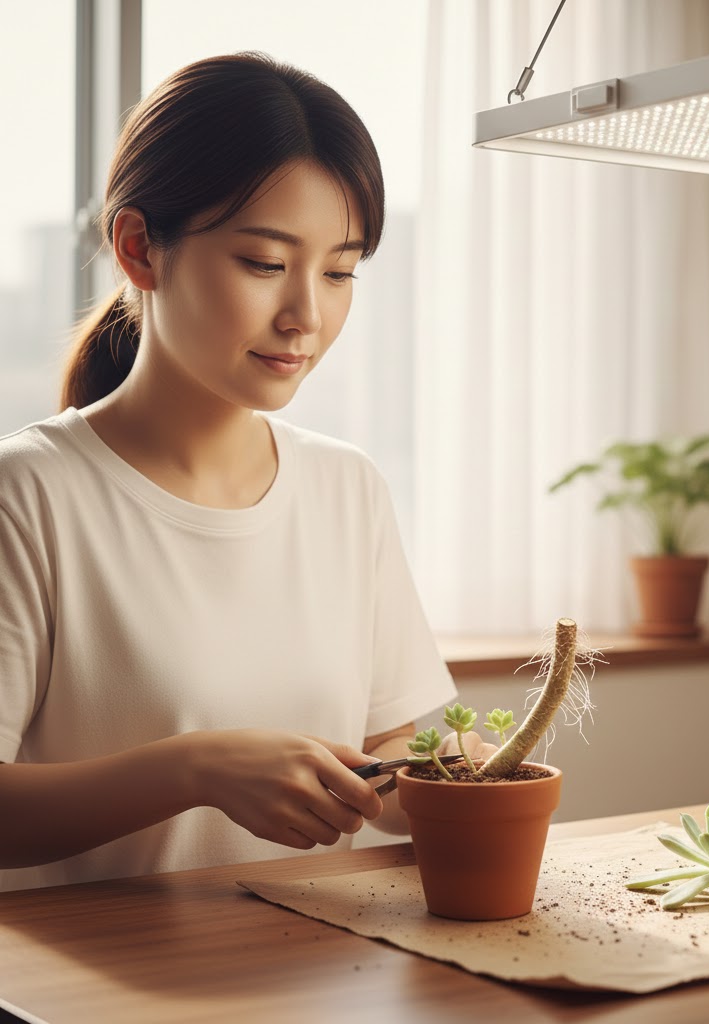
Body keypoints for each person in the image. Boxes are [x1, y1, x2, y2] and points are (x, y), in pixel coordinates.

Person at [0, 52, 459, 891]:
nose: (307, 316)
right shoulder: (29, 494)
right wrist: (193, 770)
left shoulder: (346, 488)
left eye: (339, 271)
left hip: (316, 982)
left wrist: (467, 775)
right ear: (140, 249)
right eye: (264, 263)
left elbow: (393, 748)